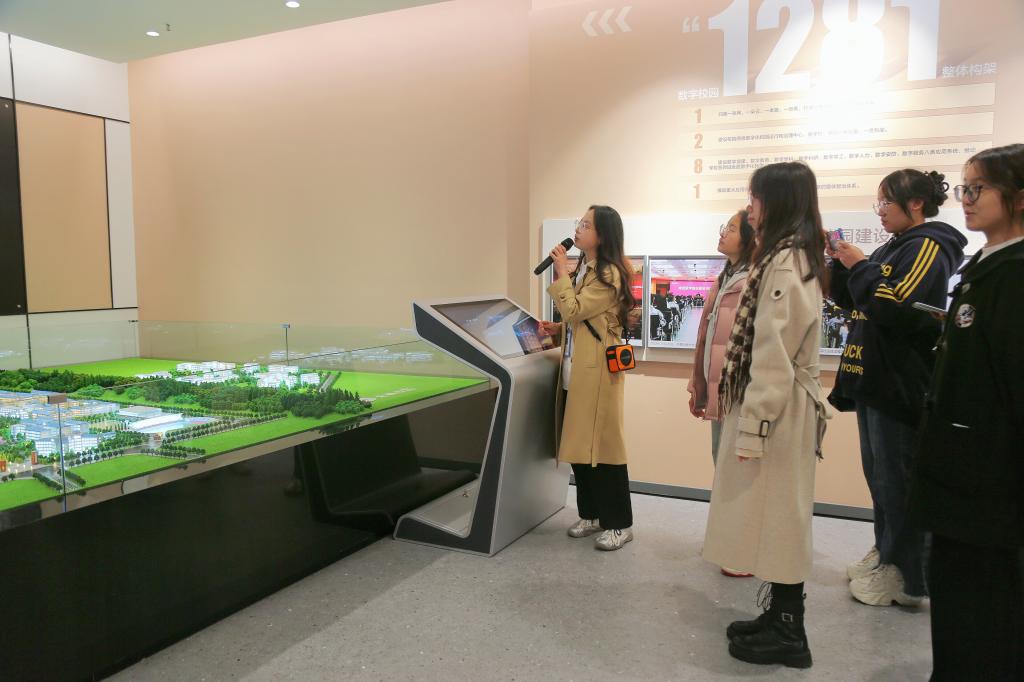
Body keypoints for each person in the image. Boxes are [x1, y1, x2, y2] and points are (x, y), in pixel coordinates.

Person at [702, 161, 831, 669]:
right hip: (781, 408)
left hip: (779, 413)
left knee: (781, 519)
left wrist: (753, 428)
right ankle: (778, 613)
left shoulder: (784, 262)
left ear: (775, 201)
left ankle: (789, 630)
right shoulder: (789, 255)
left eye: (754, 199)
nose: (750, 209)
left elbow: (773, 355)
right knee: (773, 516)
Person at [908, 143, 1024, 681]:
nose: (966, 199)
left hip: (990, 482)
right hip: (961, 474)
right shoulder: (987, 266)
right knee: (956, 602)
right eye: (964, 188)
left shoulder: (1015, 276)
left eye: (978, 189)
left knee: (983, 615)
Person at [828, 169, 966, 607]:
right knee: (880, 478)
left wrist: (859, 265)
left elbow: (899, 307)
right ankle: (886, 552)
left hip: (899, 381)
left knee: (898, 480)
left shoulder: (928, 246)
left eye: (886, 202)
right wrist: (839, 264)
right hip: (874, 377)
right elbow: (857, 299)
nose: (880, 211)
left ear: (916, 204)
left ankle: (906, 577)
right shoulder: (893, 246)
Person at [540, 205, 636, 551]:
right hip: (577, 369)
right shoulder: (586, 268)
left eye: (586, 225)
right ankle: (592, 515)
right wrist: (558, 329)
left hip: (597, 373)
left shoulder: (609, 274)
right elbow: (581, 319)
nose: (578, 229)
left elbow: (575, 308)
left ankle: (619, 524)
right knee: (581, 446)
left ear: (602, 234)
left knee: (605, 448)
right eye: (579, 223)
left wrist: (560, 273)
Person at [688, 211, 756, 465]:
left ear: (748, 239)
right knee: (720, 458)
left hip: (739, 392)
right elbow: (707, 340)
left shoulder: (751, 282)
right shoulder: (724, 279)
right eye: (724, 227)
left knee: (733, 465)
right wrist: (699, 387)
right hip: (720, 389)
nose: (723, 233)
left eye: (732, 229)